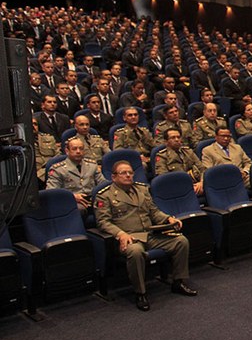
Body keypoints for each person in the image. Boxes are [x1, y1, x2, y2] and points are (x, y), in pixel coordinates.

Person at [95, 160, 196, 311]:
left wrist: (168, 218)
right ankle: (140, 293)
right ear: (113, 177)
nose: (128, 175)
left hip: (149, 235)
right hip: (129, 238)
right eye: (123, 173)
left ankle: (178, 282)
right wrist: (120, 234)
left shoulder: (142, 189)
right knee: (135, 252)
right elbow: (103, 222)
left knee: (180, 241)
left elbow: (154, 211)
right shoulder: (105, 196)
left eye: (130, 172)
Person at [46, 137, 105, 213]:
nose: (78, 151)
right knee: (80, 209)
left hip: (92, 200)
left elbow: (103, 184)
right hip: (72, 202)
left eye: (81, 149)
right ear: (67, 151)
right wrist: (72, 197)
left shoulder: (92, 165)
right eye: (74, 149)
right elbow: (52, 192)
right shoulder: (58, 169)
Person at [154, 128, 205, 195]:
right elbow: (164, 178)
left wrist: (201, 182)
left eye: (178, 137)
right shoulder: (162, 157)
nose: (177, 140)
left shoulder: (188, 152)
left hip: (197, 184)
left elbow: (202, 169)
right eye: (173, 138)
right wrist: (189, 187)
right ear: (166, 142)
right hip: (178, 187)